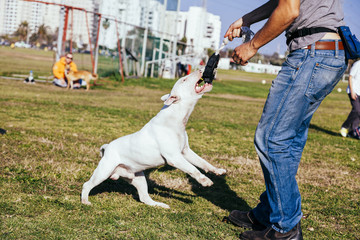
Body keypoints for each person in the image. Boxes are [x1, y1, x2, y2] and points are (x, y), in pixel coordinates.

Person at [224, 0, 347, 239]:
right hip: (327, 53)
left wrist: (252, 45)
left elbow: (288, 10)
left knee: (272, 139)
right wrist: (246, 19)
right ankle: (268, 212)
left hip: (313, 54)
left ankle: (286, 228)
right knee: (288, 142)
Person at [340, 59, 360, 139]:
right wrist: (352, 91)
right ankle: (345, 126)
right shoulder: (358, 64)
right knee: (357, 110)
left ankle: (353, 131)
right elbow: (350, 77)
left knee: (359, 113)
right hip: (354, 91)